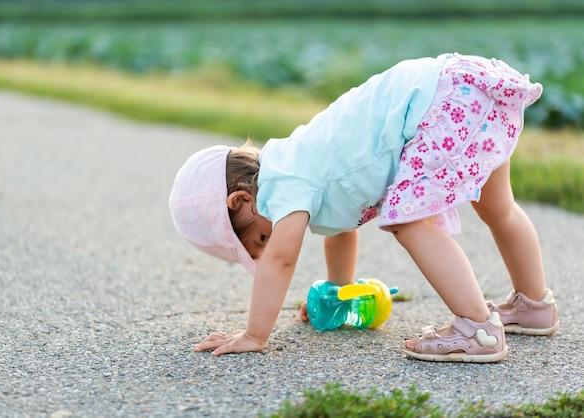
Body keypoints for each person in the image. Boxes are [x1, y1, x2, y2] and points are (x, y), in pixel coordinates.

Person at [169, 53, 559, 362]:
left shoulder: (281, 183)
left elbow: (283, 260)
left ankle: (477, 330)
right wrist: (340, 293)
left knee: (410, 222)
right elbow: (341, 226)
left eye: (258, 240)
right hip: (459, 88)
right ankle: (534, 305)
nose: (266, 249)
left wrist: (254, 334)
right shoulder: (302, 165)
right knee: (498, 208)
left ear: (241, 199)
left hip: (440, 104)